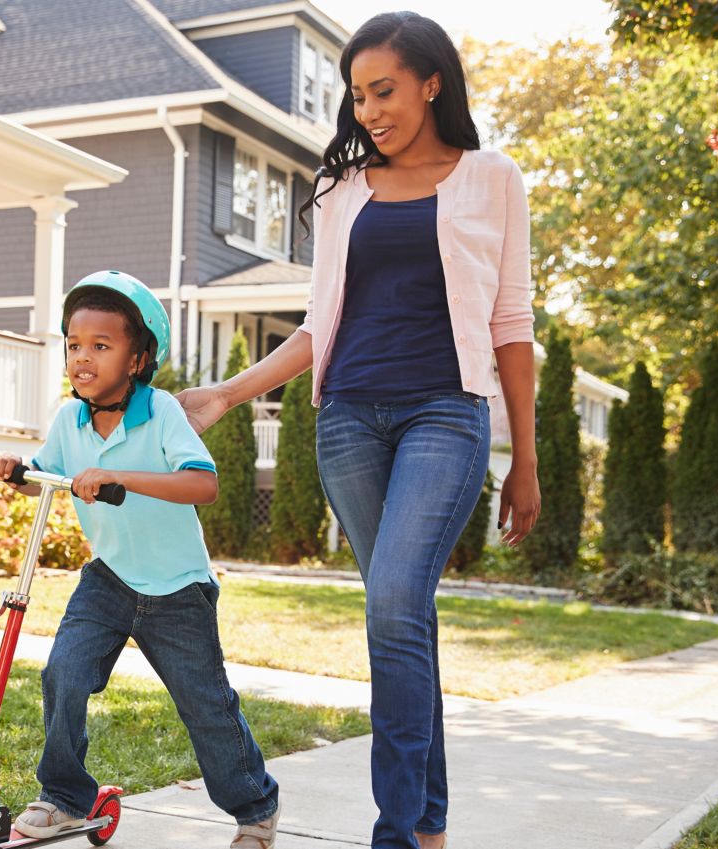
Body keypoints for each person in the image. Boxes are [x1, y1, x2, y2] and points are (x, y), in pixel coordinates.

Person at [176, 12, 542, 849]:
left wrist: (525, 457)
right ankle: (429, 827)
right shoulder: (341, 189)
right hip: (346, 418)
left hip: (444, 414)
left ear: (431, 82)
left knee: (393, 603)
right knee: (399, 616)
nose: (369, 110)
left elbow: (510, 323)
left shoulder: (491, 178)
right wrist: (227, 394)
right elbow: (317, 324)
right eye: (357, 96)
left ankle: (396, 832)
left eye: (384, 91)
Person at [0, 270, 282, 849]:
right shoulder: (68, 420)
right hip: (110, 580)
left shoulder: (164, 411)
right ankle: (66, 798)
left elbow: (203, 485)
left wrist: (120, 475)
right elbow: (48, 476)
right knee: (63, 674)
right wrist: (12, 469)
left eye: (102, 345)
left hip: (179, 590)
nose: (83, 358)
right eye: (75, 345)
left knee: (205, 705)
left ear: (139, 357)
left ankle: (255, 808)